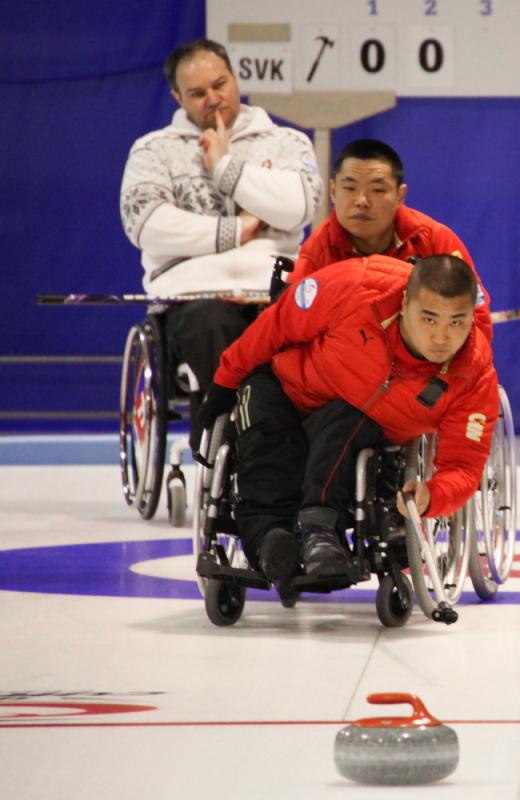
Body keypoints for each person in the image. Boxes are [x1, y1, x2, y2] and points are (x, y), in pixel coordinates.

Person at [196, 254, 498, 606]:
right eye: (429, 319)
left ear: (470, 318)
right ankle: (270, 543)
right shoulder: (355, 287)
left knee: (349, 424)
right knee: (264, 433)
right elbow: (274, 325)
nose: (442, 336)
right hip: (285, 386)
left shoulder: (473, 374)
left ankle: (320, 533)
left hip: (352, 425)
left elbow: (464, 468)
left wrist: (432, 496)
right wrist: (223, 382)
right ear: (405, 302)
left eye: (456, 322)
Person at [119, 38, 322, 442]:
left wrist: (225, 169)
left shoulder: (285, 143)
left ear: (236, 78)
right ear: (178, 97)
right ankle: (228, 448)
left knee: (305, 330)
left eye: (220, 84)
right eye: (197, 93)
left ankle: (282, 454)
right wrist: (238, 230)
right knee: (212, 324)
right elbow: (146, 225)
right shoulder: (153, 151)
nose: (213, 98)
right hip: (195, 298)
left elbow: (299, 207)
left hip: (273, 291)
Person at [289, 137, 491, 339]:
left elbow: (478, 319)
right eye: (349, 188)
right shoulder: (316, 252)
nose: (361, 201)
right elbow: (290, 327)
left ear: (400, 196)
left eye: (377, 190)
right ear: (333, 191)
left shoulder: (435, 240)